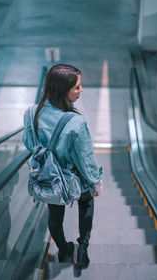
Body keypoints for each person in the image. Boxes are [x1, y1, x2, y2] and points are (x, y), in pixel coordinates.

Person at [23, 64, 103, 268]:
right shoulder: (76, 123)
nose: (81, 90)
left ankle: (64, 248)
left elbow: (29, 144)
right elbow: (85, 161)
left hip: (50, 179)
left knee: (55, 214)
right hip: (75, 179)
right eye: (77, 87)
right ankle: (83, 249)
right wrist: (95, 182)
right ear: (62, 90)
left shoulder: (32, 113)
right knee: (86, 202)